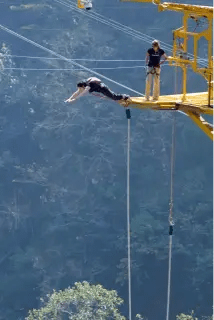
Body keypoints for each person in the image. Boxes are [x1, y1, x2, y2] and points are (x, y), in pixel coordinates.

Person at [65, 77, 130, 103]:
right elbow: (77, 93)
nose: (79, 89)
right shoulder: (84, 85)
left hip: (103, 88)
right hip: (100, 89)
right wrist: (69, 98)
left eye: (80, 88)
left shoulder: (88, 85)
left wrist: (75, 99)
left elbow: (83, 93)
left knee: (113, 97)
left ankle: (124, 96)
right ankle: (122, 97)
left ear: (82, 86)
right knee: (112, 97)